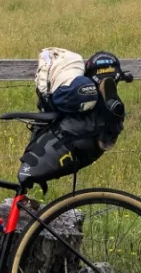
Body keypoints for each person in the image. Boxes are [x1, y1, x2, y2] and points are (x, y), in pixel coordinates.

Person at [15, 48, 128, 187]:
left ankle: (105, 110)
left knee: (28, 171)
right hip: (90, 138)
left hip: (76, 130)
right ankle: (108, 110)